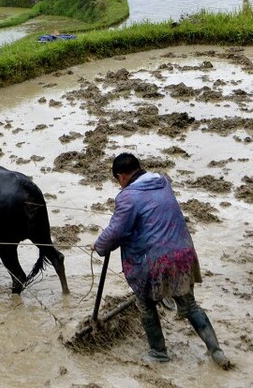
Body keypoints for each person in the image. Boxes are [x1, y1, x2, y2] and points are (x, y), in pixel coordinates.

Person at [94, 153, 230, 368]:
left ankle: (159, 352)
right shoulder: (162, 181)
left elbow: (116, 231)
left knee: (145, 304)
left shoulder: (127, 197)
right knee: (190, 305)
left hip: (156, 262)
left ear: (120, 177)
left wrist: (99, 245)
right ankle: (216, 351)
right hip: (183, 254)